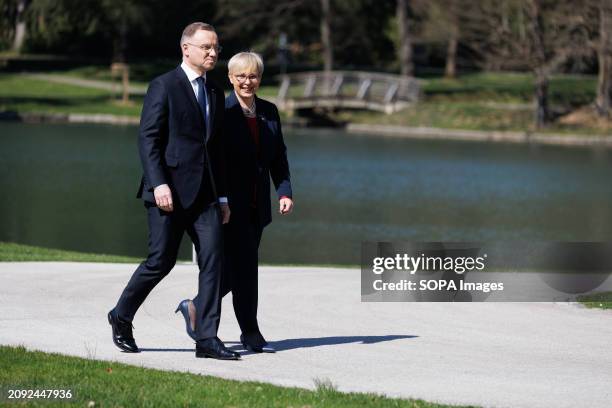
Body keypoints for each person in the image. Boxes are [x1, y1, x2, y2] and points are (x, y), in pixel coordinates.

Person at [108, 22, 240, 361]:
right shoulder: (163, 86)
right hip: (167, 193)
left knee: (215, 263)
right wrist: (159, 182)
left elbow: (219, 151)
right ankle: (121, 316)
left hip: (206, 197)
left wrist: (223, 197)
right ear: (186, 49)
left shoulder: (214, 93)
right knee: (160, 261)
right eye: (206, 47)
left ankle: (206, 339)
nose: (213, 53)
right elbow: (148, 139)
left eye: (216, 48)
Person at [176, 52, 293, 353]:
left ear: (260, 79)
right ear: (230, 78)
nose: (247, 81)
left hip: (258, 206)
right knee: (245, 269)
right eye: (240, 76)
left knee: (235, 268)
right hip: (228, 205)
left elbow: (278, 155)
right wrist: (221, 199)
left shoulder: (269, 111)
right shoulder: (222, 112)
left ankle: (196, 306)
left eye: (253, 75)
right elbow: (215, 161)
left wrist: (284, 191)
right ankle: (250, 333)